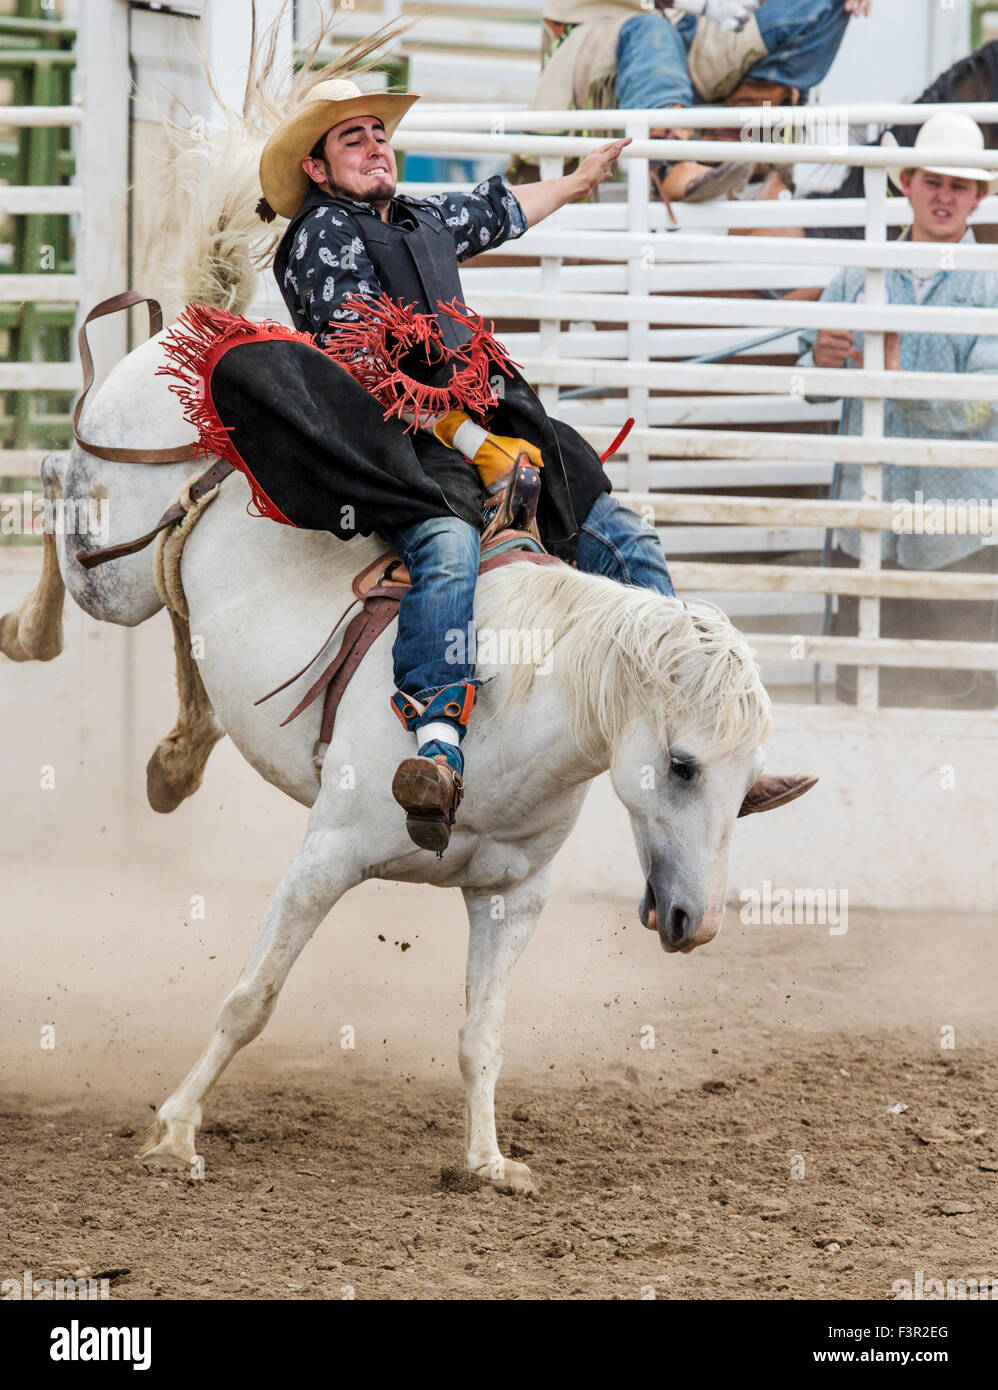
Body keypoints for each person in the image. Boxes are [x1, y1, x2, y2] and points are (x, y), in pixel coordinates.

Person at [244, 78, 672, 851]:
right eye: (353, 139)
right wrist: (476, 447)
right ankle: (436, 745)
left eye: (379, 132)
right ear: (315, 169)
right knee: (446, 544)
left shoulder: (416, 216)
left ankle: (682, 710)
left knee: (618, 528)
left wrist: (576, 181)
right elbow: (365, 366)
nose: (376, 146)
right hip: (383, 434)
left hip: (479, 406)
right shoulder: (319, 236)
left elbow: (500, 210)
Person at [797, 112, 998, 709]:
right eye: (932, 181)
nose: (944, 196)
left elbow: (983, 404)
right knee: (860, 683)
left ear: (979, 196)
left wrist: (896, 378)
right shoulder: (860, 273)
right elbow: (810, 383)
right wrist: (823, 360)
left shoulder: (991, 284)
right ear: (906, 182)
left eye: (958, 186)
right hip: (868, 517)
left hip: (958, 526)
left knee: (958, 693)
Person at [529, 0, 871, 202]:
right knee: (652, 31)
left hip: (697, 29)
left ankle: (739, 146)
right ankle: (669, 165)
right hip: (607, 30)